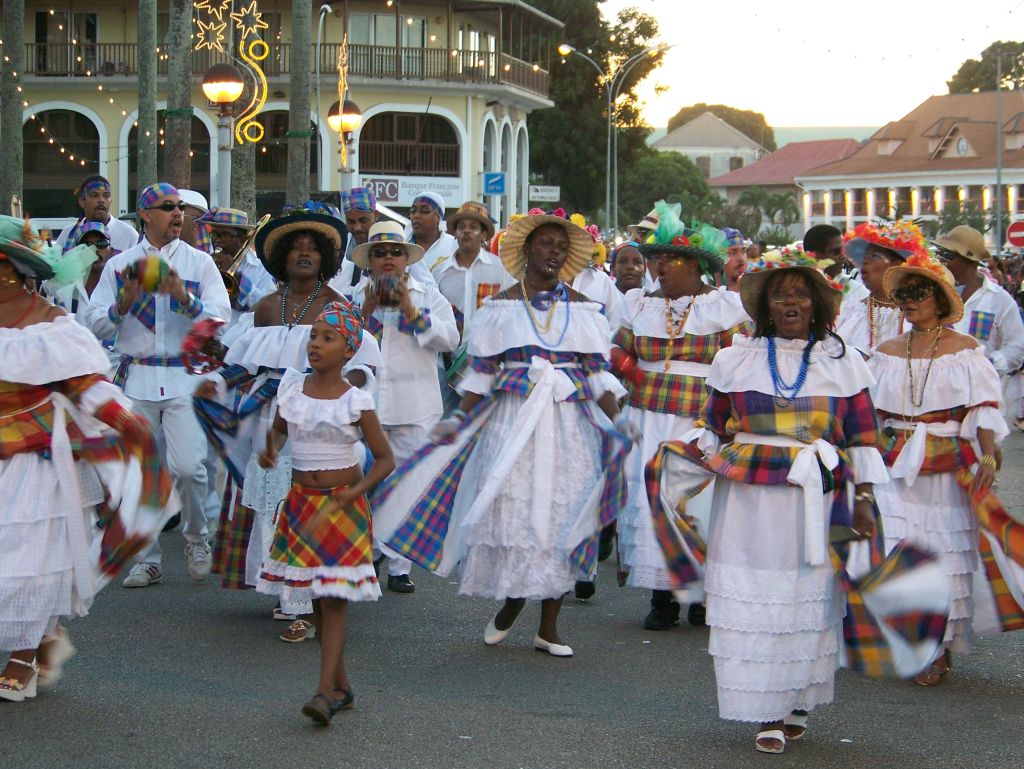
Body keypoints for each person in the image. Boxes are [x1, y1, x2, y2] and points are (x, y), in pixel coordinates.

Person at [648, 247, 888, 753]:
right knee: (755, 596)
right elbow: (711, 429)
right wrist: (681, 471)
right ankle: (767, 711)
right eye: (781, 296)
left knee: (810, 598)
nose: (791, 302)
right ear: (765, 308)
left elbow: (863, 436)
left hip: (815, 498)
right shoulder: (734, 359)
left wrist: (865, 496)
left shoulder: (844, 363)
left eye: (801, 294)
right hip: (749, 501)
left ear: (818, 305)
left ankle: (796, 699)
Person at [370, 211, 633, 657]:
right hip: (511, 421)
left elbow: (594, 374)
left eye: (560, 246)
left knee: (563, 518)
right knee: (516, 519)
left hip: (567, 425)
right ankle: (512, 601)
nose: (553, 252)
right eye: (545, 243)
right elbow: (483, 373)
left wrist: (622, 422)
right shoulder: (500, 307)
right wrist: (456, 420)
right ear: (527, 249)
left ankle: (549, 626)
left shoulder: (586, 310)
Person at [0, 215, 172, 702]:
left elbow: (84, 384)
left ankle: (25, 650)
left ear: (10, 268)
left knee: (25, 562)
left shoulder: (52, 326)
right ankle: (42, 636)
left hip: (33, 459)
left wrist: (128, 425)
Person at [195, 205, 379, 642]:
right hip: (269, 419)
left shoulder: (338, 306)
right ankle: (289, 594)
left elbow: (361, 362)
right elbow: (246, 362)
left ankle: (308, 601)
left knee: (309, 504)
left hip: (318, 422)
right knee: (273, 505)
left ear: (325, 259)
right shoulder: (263, 308)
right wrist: (216, 382)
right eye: (295, 248)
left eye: (312, 249)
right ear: (281, 259)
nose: (303, 254)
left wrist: (332, 389)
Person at [869, 253, 1018, 685]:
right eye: (904, 296)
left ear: (938, 300)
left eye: (918, 294)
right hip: (895, 460)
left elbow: (983, 409)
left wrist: (988, 456)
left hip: (947, 463)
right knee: (899, 546)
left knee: (944, 552)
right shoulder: (886, 352)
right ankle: (908, 636)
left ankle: (937, 647)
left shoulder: (967, 351)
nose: (908, 302)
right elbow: (873, 414)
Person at [84, 183, 231, 587]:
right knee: (138, 473)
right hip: (137, 379)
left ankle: (197, 537)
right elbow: (93, 322)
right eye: (168, 207)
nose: (178, 214)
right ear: (145, 215)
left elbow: (220, 319)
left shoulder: (199, 263)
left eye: (180, 207)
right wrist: (123, 303)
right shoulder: (119, 266)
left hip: (184, 376)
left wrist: (186, 298)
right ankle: (146, 559)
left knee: (189, 468)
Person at [256, 301, 395, 724]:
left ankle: (322, 694)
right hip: (303, 505)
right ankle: (342, 686)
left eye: (328, 338)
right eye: (314, 336)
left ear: (349, 350)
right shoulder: (293, 391)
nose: (316, 344)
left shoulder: (357, 401)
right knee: (319, 598)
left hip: (341, 508)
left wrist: (353, 493)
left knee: (333, 601)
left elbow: (386, 460)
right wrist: (269, 450)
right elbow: (279, 431)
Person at [614, 203, 750, 631]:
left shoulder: (725, 308)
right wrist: (626, 368)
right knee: (651, 502)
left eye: (667, 261)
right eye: (655, 261)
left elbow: (743, 361)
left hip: (701, 422)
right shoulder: (640, 305)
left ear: (694, 267)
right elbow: (619, 349)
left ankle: (703, 597)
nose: (658, 269)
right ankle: (663, 597)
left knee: (697, 504)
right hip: (648, 418)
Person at [345, 220, 459, 593]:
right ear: (370, 261)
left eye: (395, 251)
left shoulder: (428, 293)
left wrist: (411, 309)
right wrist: (368, 308)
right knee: (368, 482)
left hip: (416, 404)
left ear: (406, 259)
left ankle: (399, 566)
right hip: (368, 405)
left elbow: (449, 339)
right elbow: (341, 343)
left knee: (409, 483)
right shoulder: (353, 296)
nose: (388, 258)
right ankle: (370, 553)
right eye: (380, 253)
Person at [429, 201, 515, 411]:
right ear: (455, 234)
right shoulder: (439, 272)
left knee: (480, 427)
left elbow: (512, 313)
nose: (466, 231)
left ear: (484, 235)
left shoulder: (500, 270)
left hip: (486, 365)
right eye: (461, 227)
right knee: (445, 427)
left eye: (473, 227)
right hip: (446, 364)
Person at [936, 225, 1024, 403]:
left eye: (948, 255)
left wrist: (988, 364)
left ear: (967, 260)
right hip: (939, 396)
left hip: (982, 398)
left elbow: (1017, 346)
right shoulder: (935, 295)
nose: (941, 260)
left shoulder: (1000, 300)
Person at [835, 219, 928, 355]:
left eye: (875, 257)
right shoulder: (848, 311)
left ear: (899, 265)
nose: (865, 261)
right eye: (865, 257)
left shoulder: (919, 315)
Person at [197, 207, 277, 322]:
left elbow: (269, 308)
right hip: (212, 335)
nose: (217, 240)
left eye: (225, 236)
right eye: (214, 235)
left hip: (242, 337)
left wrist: (239, 279)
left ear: (243, 239)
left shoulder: (262, 268)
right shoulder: (205, 262)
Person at [55, 175, 140, 254]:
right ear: (82, 202)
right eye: (94, 195)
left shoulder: (129, 234)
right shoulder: (68, 233)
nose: (101, 200)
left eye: (106, 196)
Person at [719, 227, 746, 292]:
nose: (741, 259)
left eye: (743, 252)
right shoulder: (706, 297)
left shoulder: (752, 290)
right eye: (733, 252)